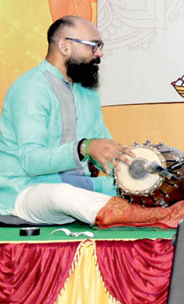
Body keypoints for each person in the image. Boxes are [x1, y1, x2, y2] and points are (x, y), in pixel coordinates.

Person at [0, 16, 134, 225]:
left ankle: (132, 208)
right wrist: (84, 148)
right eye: (93, 46)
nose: (99, 53)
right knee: (62, 195)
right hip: (25, 191)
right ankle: (137, 215)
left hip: (76, 186)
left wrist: (134, 171)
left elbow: (104, 149)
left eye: (100, 47)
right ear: (64, 46)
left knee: (130, 190)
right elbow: (31, 161)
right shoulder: (30, 89)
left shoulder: (86, 91)